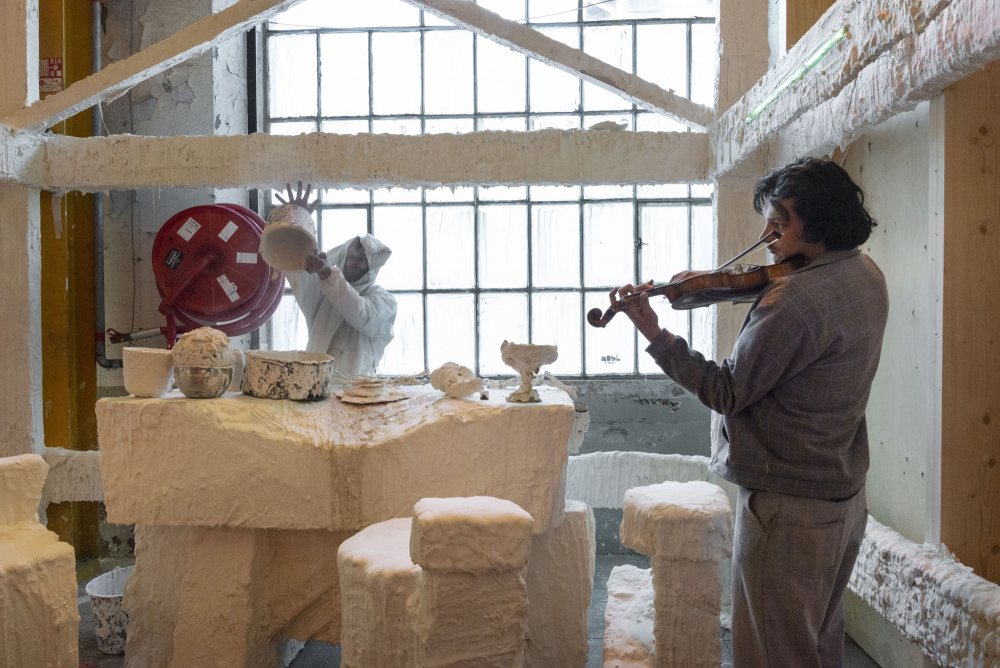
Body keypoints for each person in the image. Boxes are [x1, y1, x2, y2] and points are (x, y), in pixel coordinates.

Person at [611, 158, 889, 668]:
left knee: (770, 653)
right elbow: (799, 346)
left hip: (787, 505)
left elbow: (726, 390)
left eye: (780, 221)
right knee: (817, 642)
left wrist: (653, 331)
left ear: (820, 221)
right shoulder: (864, 273)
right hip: (841, 495)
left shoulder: (794, 299)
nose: (768, 234)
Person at [277, 182, 397, 377]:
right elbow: (295, 266)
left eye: (361, 260)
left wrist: (327, 274)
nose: (354, 263)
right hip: (315, 384)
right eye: (351, 257)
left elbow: (361, 313)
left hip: (359, 392)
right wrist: (297, 219)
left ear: (372, 269)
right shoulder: (322, 291)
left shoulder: (384, 302)